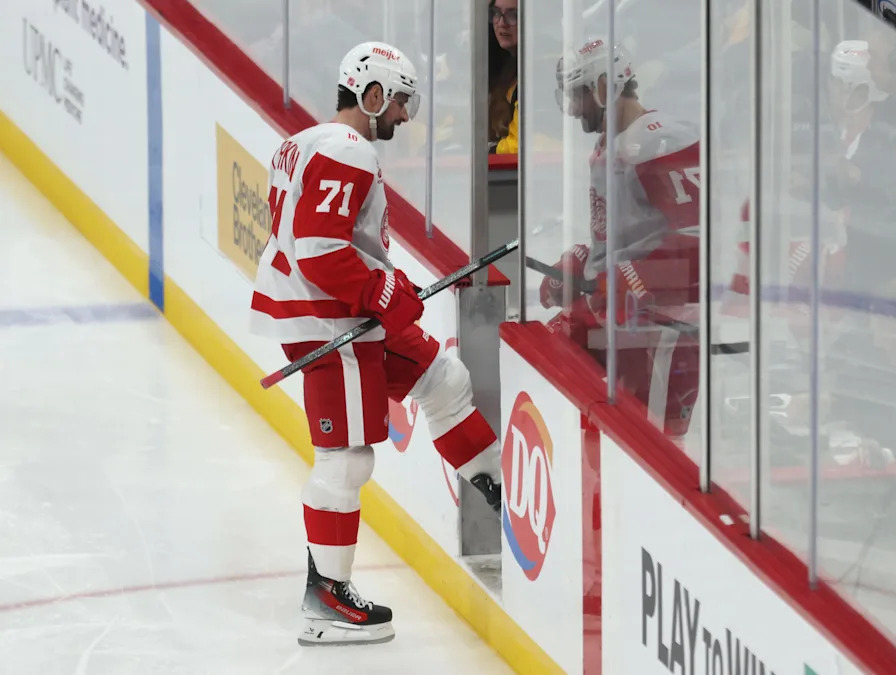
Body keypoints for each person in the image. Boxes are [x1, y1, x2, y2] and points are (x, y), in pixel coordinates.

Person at [249, 41, 502, 646]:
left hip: (337, 314)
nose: (404, 118)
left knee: (443, 379)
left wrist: (379, 286)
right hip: (332, 323)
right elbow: (317, 247)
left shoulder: (303, 141)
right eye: (400, 103)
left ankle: (503, 501)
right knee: (345, 459)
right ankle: (325, 600)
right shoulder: (349, 149)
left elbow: (308, 233)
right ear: (372, 94)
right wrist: (380, 291)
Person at [541, 38, 701, 438]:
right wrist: (584, 259)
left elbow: (699, 246)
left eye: (579, 94)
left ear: (604, 86)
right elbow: (624, 234)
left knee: (654, 449)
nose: (574, 108)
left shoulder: (661, 141)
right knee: (548, 363)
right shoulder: (609, 143)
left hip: (665, 329)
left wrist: (628, 276)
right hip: (618, 317)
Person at [489, 0, 519, 154]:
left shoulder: (540, 73)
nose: (501, 23)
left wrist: (489, 152)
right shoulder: (506, 67)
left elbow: (519, 146)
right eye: (496, 13)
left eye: (513, 15)